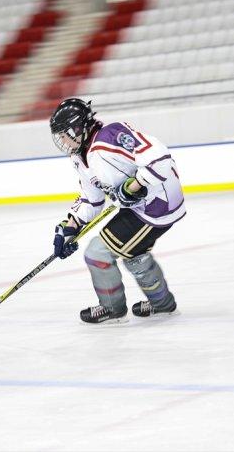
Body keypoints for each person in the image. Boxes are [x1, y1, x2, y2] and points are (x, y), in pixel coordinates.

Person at [49, 98, 185, 324]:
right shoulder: (80, 157)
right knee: (134, 254)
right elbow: (92, 200)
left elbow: (160, 158)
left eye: (64, 134)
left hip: (158, 203)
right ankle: (163, 304)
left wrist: (134, 185)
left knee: (97, 253)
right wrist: (70, 225)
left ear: (78, 128)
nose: (61, 141)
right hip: (141, 206)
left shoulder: (111, 137)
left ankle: (112, 309)